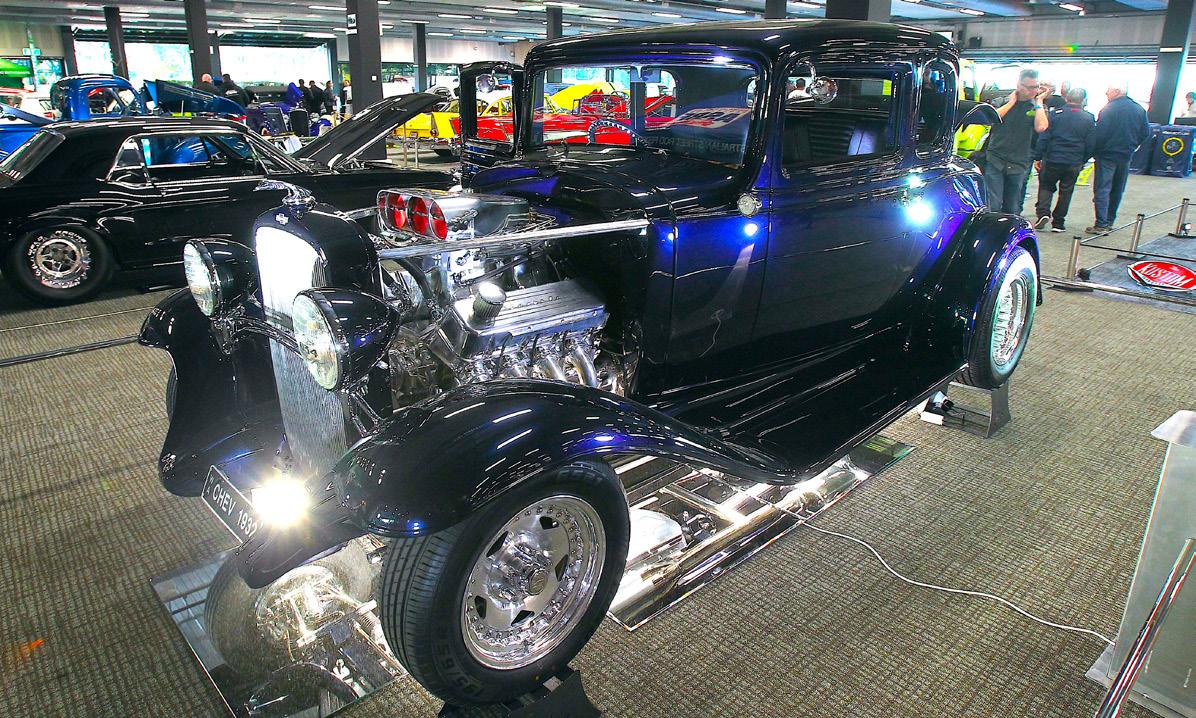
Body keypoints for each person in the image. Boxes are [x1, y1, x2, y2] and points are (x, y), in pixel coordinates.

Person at [980, 68, 1051, 215]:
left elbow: (1041, 127)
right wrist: (1011, 103)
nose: (1032, 91)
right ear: (1019, 85)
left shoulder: (1037, 107)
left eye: (1035, 87)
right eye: (1029, 87)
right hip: (996, 159)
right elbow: (990, 119)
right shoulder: (1002, 101)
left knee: (1012, 207)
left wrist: (1039, 100)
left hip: (1019, 163)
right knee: (993, 204)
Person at [1086, 84, 1151, 233]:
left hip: (1107, 155)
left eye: (1108, 91)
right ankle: (1109, 221)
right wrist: (1133, 145)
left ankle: (1101, 223)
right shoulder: (1139, 109)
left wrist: (1094, 151)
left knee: (1102, 189)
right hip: (1125, 155)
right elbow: (1145, 132)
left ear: (1116, 92)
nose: (1106, 94)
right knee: (1117, 189)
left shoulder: (1108, 109)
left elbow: (1100, 134)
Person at [1032, 87, 1094, 233]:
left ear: (1066, 98)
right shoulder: (1088, 118)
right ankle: (1058, 223)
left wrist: (1038, 157)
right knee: (1066, 191)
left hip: (1053, 158)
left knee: (1046, 186)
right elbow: (1091, 143)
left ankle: (1043, 213)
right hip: (1074, 161)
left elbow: (1045, 137)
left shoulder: (1055, 114)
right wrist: (1083, 160)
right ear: (1083, 100)